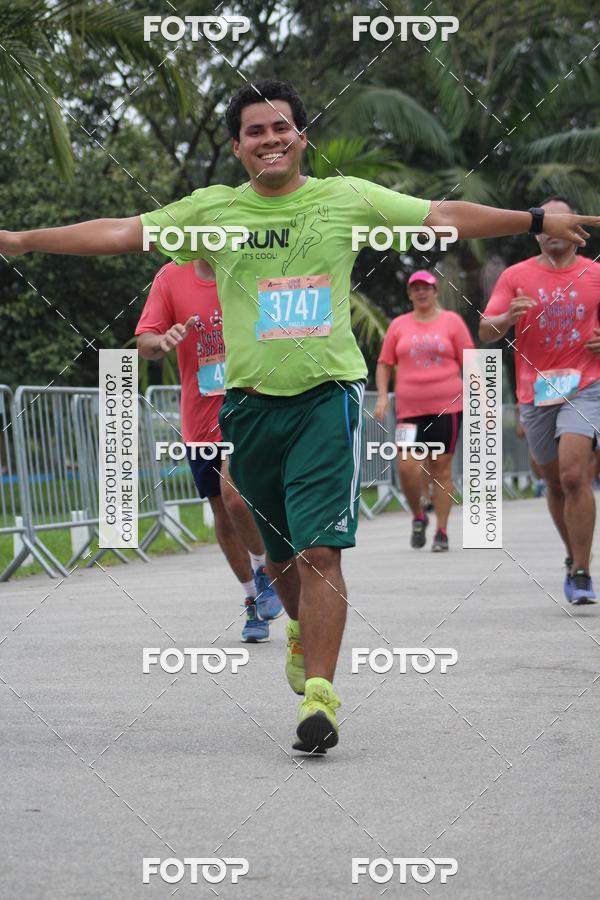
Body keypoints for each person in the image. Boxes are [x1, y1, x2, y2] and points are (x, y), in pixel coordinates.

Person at [2, 83, 599, 753]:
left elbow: (440, 216)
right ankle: (295, 627)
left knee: (319, 552)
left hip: (327, 398)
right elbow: (123, 233)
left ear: (302, 136)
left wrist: (530, 218)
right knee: (281, 559)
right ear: (237, 147)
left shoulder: (346, 199)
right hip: (250, 409)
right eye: (254, 131)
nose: (270, 138)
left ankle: (321, 697)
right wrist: (24, 240)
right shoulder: (212, 211)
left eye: (281, 126)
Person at [136, 258, 283, 641]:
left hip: (250, 406)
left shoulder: (252, 265)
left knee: (234, 498)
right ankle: (253, 598)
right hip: (199, 415)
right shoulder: (170, 276)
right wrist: (162, 342)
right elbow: (145, 341)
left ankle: (265, 569)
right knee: (221, 509)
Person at [480, 196, 600, 605]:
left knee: (572, 475)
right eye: (544, 224)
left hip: (586, 385)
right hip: (535, 391)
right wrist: (506, 318)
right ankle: (573, 556)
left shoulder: (595, 274)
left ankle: (583, 572)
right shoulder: (515, 276)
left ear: (575, 232)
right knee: (552, 482)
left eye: (559, 223)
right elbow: (485, 330)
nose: (551, 231)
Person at [375, 270, 474, 551]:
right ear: (409, 294)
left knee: (441, 470)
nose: (421, 292)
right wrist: (382, 396)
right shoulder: (398, 325)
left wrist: (484, 401)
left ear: (435, 291)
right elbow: (384, 363)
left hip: (448, 406)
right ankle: (419, 516)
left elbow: (471, 361)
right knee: (407, 467)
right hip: (409, 410)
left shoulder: (452, 322)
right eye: (415, 288)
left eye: (426, 288)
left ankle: (441, 532)